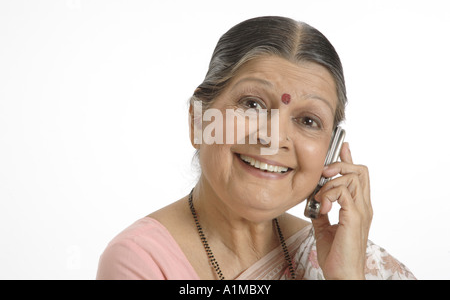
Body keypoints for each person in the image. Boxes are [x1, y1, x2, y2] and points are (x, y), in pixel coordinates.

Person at [96, 16, 415, 280]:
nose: (273, 138)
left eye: (307, 120)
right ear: (198, 121)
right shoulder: (140, 261)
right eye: (252, 104)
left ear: (331, 151)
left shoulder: (360, 263)